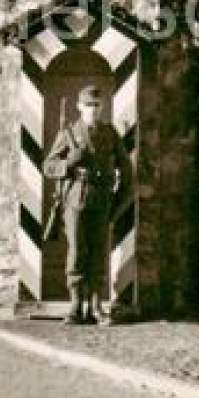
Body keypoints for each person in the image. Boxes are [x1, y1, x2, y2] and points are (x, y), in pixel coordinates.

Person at [41, 84, 128, 324]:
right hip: (75, 200)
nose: (93, 110)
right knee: (77, 251)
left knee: (99, 252)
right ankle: (77, 305)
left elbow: (126, 169)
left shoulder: (110, 134)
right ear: (80, 107)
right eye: (88, 105)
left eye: (97, 106)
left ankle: (97, 304)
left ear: (102, 107)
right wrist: (68, 163)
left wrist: (117, 203)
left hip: (102, 201)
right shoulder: (69, 133)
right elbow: (48, 166)